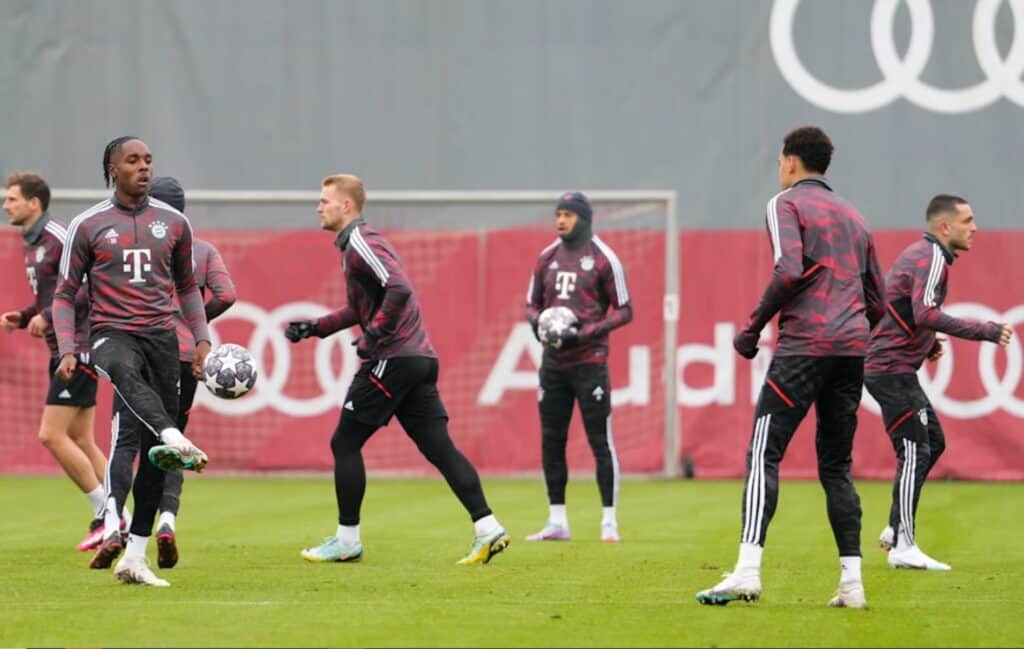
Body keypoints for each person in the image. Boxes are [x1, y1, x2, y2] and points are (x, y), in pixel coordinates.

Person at [695, 126, 885, 609]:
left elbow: (789, 270)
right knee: (837, 467)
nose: (779, 168)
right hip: (850, 349)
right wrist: (852, 333)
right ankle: (852, 584)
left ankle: (746, 571)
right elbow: (878, 302)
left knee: (764, 452)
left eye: (781, 160)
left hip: (805, 346)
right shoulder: (856, 216)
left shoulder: (786, 204)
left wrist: (752, 327)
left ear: (791, 162)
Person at [285, 174, 510, 565]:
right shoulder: (354, 245)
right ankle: (488, 528)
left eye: (324, 200)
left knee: (345, 443)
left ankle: (347, 540)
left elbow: (400, 287)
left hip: (393, 358)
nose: (318, 207)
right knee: (439, 448)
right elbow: (359, 308)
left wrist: (374, 335)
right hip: (417, 359)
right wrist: (316, 328)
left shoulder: (360, 241)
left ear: (346, 206)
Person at [52, 136, 212, 587]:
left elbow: (187, 288)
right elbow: (64, 293)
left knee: (155, 459)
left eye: (148, 160)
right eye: (133, 161)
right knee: (123, 372)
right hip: (110, 334)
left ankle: (135, 557)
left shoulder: (175, 223)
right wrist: (67, 346)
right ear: (112, 169)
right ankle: (174, 434)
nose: (143, 167)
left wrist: (202, 338)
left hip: (162, 338)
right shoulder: (87, 224)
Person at [866, 194, 1012, 571]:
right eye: (967, 220)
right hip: (890, 369)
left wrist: (928, 344)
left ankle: (896, 527)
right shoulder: (931, 255)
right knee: (915, 449)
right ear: (945, 227)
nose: (975, 228)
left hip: (894, 367)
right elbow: (924, 312)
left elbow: (898, 307)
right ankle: (903, 544)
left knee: (932, 442)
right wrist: (985, 331)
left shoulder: (926, 255)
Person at [111, 176, 234, 570]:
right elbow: (227, 294)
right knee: (173, 443)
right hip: (183, 356)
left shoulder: (135, 247)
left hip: (140, 352)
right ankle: (166, 521)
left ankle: (114, 524)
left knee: (126, 441)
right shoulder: (203, 249)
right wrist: (194, 322)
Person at [2, 171, 111, 550]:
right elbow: (52, 295)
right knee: (81, 438)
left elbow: (87, 287)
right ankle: (119, 514)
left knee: (50, 435)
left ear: (34, 203)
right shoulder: (32, 242)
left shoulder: (59, 237)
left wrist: (48, 316)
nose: (5, 205)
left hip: (77, 348)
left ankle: (105, 514)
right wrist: (24, 315)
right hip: (63, 349)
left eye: (12, 199)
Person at [523, 192, 633, 543]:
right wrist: (540, 324)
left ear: (583, 219)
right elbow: (530, 305)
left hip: (590, 364)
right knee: (551, 441)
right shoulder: (546, 257)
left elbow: (625, 309)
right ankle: (557, 520)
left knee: (600, 441)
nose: (560, 220)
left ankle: (609, 522)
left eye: (568, 215)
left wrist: (585, 333)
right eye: (558, 214)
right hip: (553, 365)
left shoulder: (603, 258)